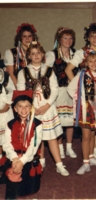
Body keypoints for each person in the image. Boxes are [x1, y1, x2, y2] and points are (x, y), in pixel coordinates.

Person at [17, 41, 69, 176]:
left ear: (43, 55)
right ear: (28, 56)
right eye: (33, 54)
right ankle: (40, 160)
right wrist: (31, 107)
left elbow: (55, 90)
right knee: (36, 137)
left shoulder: (49, 70)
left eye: (38, 53)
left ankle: (59, 164)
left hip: (47, 108)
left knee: (51, 137)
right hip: (31, 109)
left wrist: (46, 105)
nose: (36, 56)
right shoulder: (23, 72)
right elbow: (21, 92)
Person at [65, 23, 96, 160]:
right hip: (86, 102)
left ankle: (92, 154)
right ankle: (87, 158)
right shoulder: (82, 55)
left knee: (94, 131)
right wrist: (80, 92)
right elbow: (69, 71)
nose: (95, 38)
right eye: (92, 36)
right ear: (88, 38)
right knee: (86, 133)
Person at [67, 51, 96, 175]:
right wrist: (79, 100)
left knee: (93, 134)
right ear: (86, 62)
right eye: (90, 61)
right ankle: (85, 163)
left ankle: (91, 157)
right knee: (85, 136)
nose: (93, 63)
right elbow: (71, 88)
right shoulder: (82, 74)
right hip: (86, 110)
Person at [1, 90, 42, 199]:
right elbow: (6, 144)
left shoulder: (37, 124)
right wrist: (14, 159)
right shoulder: (10, 124)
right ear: (15, 109)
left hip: (28, 158)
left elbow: (34, 146)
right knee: (12, 174)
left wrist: (22, 161)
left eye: (27, 106)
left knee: (23, 188)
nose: (23, 110)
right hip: (13, 157)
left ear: (31, 108)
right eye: (20, 106)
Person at [45, 27, 77, 159]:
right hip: (59, 92)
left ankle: (69, 146)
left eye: (70, 38)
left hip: (72, 91)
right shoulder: (52, 54)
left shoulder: (76, 53)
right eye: (65, 38)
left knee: (70, 120)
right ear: (59, 39)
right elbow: (46, 73)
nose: (68, 41)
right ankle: (60, 148)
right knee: (59, 121)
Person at [4, 23, 38, 90]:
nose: (27, 38)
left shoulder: (36, 53)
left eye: (29, 36)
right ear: (20, 38)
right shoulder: (11, 53)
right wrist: (20, 90)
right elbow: (11, 74)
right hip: (15, 87)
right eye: (24, 36)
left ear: (33, 38)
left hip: (33, 88)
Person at [0, 68, 13, 167]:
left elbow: (11, 90)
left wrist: (7, 104)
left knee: (6, 138)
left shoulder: (5, 74)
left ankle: (8, 161)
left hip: (5, 112)